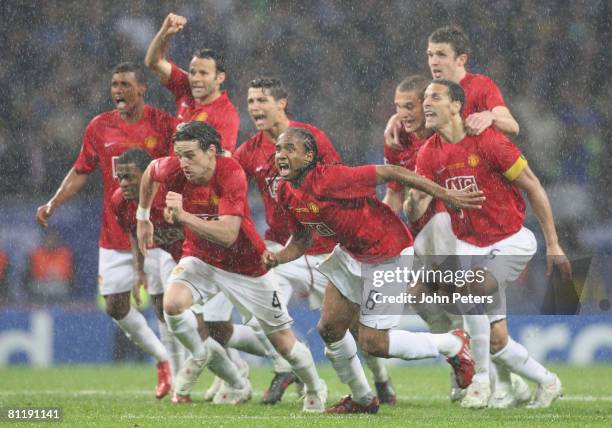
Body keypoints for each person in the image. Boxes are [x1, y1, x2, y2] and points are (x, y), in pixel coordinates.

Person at [264, 127, 485, 414]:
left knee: (373, 342)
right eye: (279, 149)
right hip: (351, 252)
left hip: (387, 251)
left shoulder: (331, 178)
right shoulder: (284, 190)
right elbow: (303, 237)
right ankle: (362, 398)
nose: (281, 155)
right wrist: (279, 258)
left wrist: (446, 194)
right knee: (329, 328)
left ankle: (452, 343)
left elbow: (391, 172)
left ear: (308, 156)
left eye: (289, 149)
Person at [136, 121, 328, 412]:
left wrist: (184, 217)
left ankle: (315, 386)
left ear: (212, 151)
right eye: (179, 155)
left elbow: (228, 234)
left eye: (191, 155)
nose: (183, 163)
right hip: (201, 258)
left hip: (247, 266)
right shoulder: (174, 169)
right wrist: (142, 216)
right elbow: (150, 171)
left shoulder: (231, 172)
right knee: (172, 305)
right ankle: (205, 357)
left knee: (284, 344)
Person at [234, 77, 397, 405]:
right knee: (258, 305)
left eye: (261, 100)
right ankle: (287, 363)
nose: (254, 108)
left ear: (281, 103)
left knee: (351, 327)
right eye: (250, 101)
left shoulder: (310, 139)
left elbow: (338, 183)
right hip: (284, 247)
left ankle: (379, 380)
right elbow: (231, 187)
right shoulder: (249, 152)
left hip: (326, 249)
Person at [413, 79, 571, 408]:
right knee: (496, 339)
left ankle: (481, 383)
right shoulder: (429, 153)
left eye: (435, 97)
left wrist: (553, 243)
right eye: (424, 98)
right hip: (469, 245)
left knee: (470, 289)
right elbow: (414, 207)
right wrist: (414, 199)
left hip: (511, 240)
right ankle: (548, 381)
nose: (426, 103)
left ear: (456, 106)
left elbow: (533, 186)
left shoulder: (488, 142)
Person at [35, 62, 176, 400]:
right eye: (114, 84)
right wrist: (54, 202)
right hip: (114, 232)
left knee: (163, 305)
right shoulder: (99, 127)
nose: (118, 91)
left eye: (125, 84)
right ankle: (163, 359)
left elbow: (177, 169)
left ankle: (182, 376)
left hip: (155, 232)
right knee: (114, 306)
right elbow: (82, 169)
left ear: (142, 89)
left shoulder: (163, 124)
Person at [112, 148, 270, 404]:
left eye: (130, 177)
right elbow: (135, 232)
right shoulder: (120, 202)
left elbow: (209, 223)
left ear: (146, 177)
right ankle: (232, 376)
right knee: (177, 317)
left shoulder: (172, 195)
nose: (124, 184)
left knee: (208, 329)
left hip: (207, 260)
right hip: (175, 261)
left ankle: (267, 361)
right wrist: (139, 270)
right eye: (120, 178)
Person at [145, 13, 239, 153]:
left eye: (203, 73)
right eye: (193, 72)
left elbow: (221, 159)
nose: (196, 79)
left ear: (220, 78)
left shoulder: (226, 114)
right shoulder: (187, 86)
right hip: (170, 172)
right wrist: (165, 33)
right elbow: (153, 62)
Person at [426, 25, 519, 138]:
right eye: (430, 55)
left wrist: (491, 116)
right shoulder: (428, 94)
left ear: (461, 60)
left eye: (441, 55)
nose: (433, 62)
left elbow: (513, 127)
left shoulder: (480, 86)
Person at [25, 229, 74, 304]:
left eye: (53, 239)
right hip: (40, 285)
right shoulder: (36, 254)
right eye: (48, 239)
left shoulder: (65, 254)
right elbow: (28, 276)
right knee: (36, 287)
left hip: (59, 286)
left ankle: (61, 311)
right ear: (44, 240)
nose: (51, 242)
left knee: (60, 288)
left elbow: (71, 276)